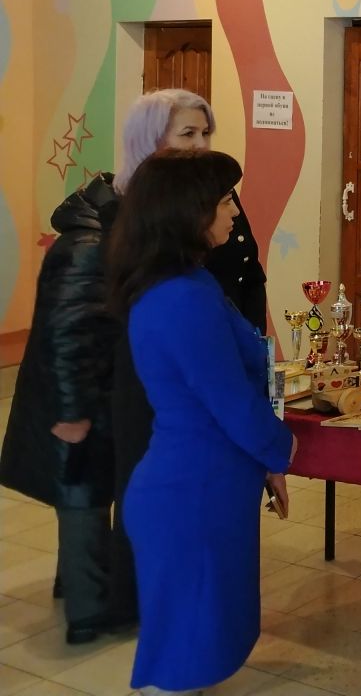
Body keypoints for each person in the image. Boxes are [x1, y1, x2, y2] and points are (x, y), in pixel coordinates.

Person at [108, 150, 294, 692]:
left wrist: (266, 461)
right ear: (186, 210)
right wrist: (283, 450)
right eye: (223, 200)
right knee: (180, 664)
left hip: (206, 490)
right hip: (189, 499)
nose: (234, 211)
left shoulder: (190, 282)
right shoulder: (180, 298)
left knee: (196, 651)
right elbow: (231, 402)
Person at [110, 89, 269, 621]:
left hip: (218, 358)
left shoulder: (213, 213)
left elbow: (248, 276)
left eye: (205, 133)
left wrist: (253, 345)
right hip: (166, 387)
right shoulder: (157, 254)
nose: (200, 144)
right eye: (187, 134)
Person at [0, 161, 127, 643]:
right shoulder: (88, 248)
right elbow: (69, 336)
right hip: (78, 400)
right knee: (83, 499)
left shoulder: (93, 240)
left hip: (87, 395)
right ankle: (88, 613)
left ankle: (73, 585)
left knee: (82, 493)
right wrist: (74, 413)